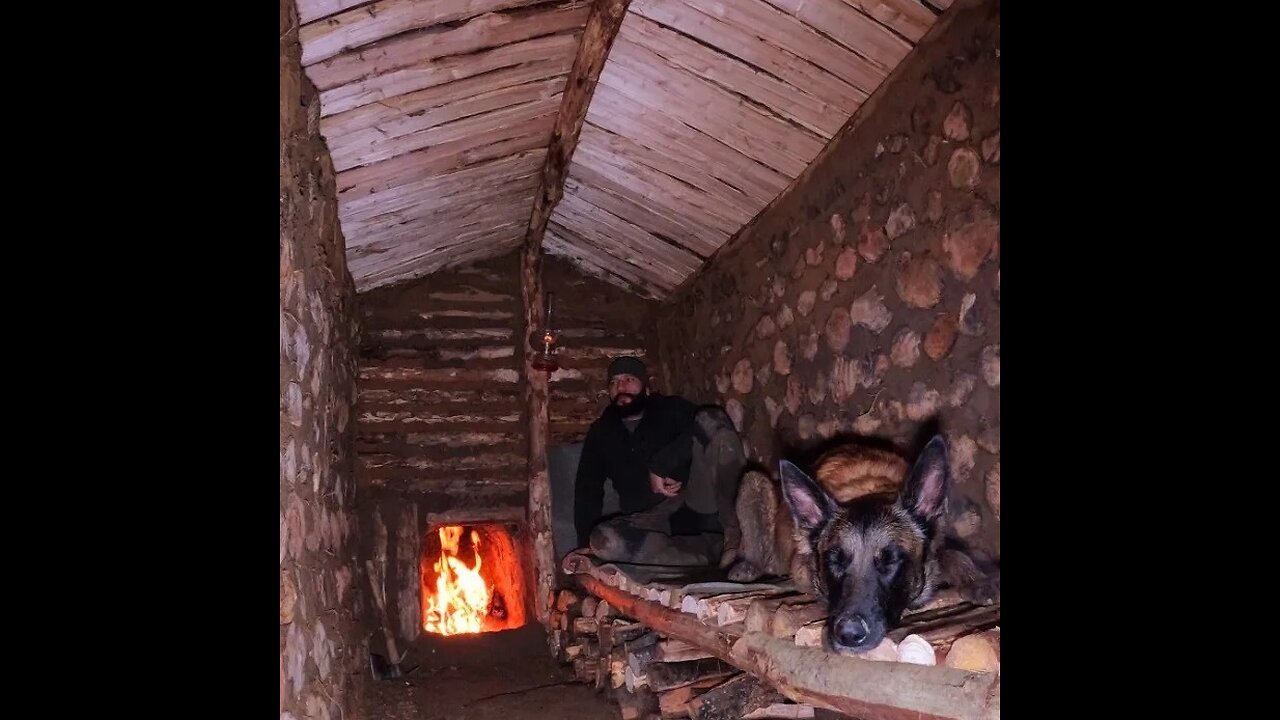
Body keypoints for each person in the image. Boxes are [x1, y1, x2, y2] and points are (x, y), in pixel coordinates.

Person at [573, 356, 749, 574]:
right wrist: (584, 544)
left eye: (629, 379)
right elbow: (587, 489)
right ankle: (709, 555)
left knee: (711, 418)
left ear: (646, 387)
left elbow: (708, 426)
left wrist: (662, 465)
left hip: (695, 503)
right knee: (603, 541)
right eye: (614, 382)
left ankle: (739, 537)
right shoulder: (601, 432)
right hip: (650, 521)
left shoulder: (671, 409)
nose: (620, 387)